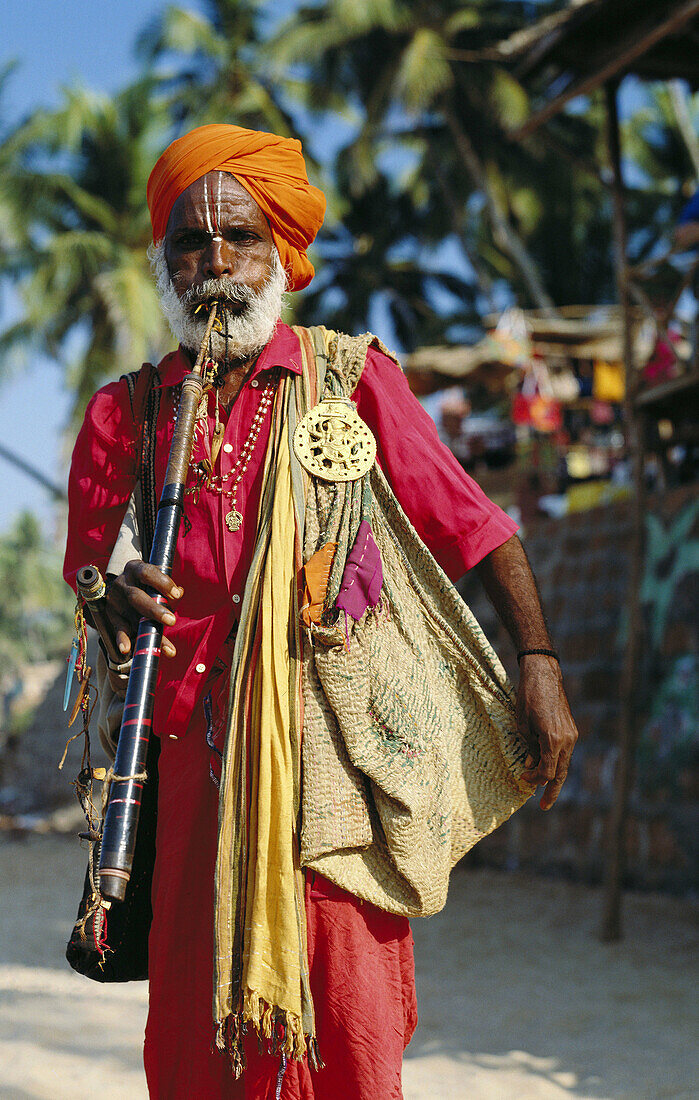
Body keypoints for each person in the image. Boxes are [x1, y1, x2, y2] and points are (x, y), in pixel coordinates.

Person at [64, 124, 579, 1099]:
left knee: (351, 1024)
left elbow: (475, 525)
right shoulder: (127, 412)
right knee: (194, 1039)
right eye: (190, 242)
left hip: (335, 758)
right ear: (162, 262)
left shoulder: (348, 378)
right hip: (188, 763)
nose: (216, 260)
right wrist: (111, 590)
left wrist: (540, 662)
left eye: (241, 236)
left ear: (280, 254)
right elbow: (88, 566)